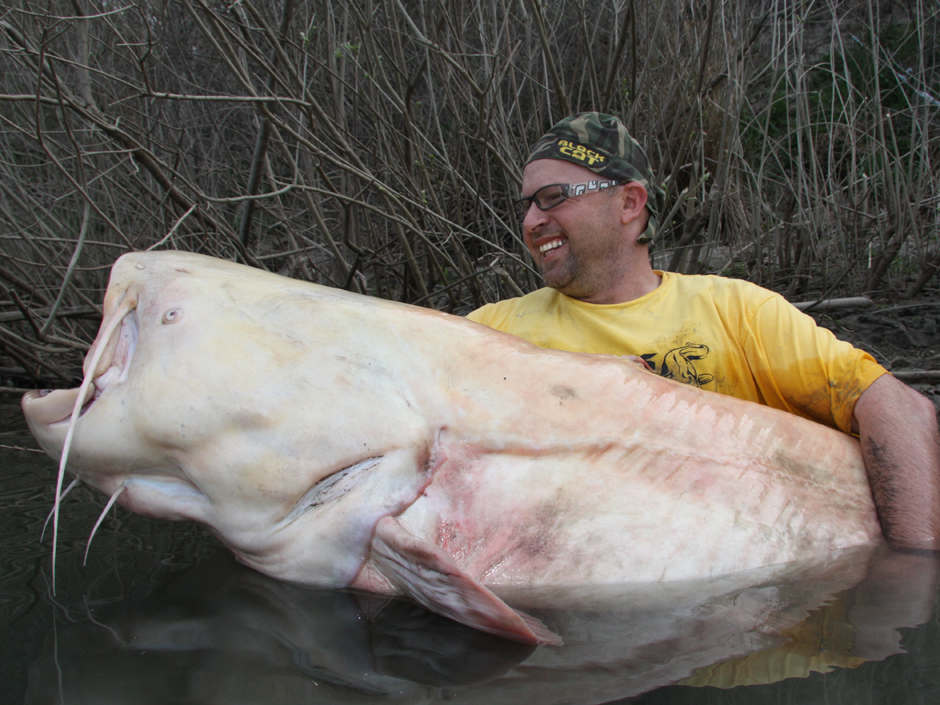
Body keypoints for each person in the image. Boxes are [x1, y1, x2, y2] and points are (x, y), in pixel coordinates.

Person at [468, 112, 940, 550]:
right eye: (527, 205)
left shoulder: (735, 310)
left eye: (552, 198)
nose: (531, 221)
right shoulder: (493, 331)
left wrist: (910, 582)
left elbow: (899, 408)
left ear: (629, 203)